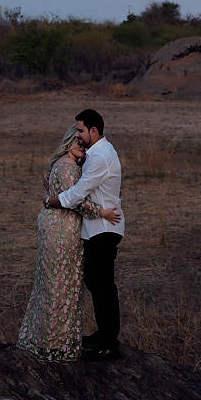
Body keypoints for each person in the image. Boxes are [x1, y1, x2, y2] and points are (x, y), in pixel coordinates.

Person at [17, 124, 119, 362]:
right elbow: (76, 201)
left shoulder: (57, 165)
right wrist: (102, 212)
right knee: (63, 284)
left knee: (50, 281)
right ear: (67, 143)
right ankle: (57, 345)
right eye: (78, 143)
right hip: (63, 228)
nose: (82, 147)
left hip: (50, 225)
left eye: (83, 143)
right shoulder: (69, 168)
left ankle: (42, 339)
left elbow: (58, 193)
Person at [49, 108, 124, 361]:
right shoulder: (97, 153)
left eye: (81, 130)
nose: (78, 135)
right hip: (97, 228)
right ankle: (104, 335)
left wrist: (53, 201)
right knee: (97, 282)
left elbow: (78, 193)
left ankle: (109, 343)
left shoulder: (100, 156)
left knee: (102, 285)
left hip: (104, 229)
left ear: (94, 131)